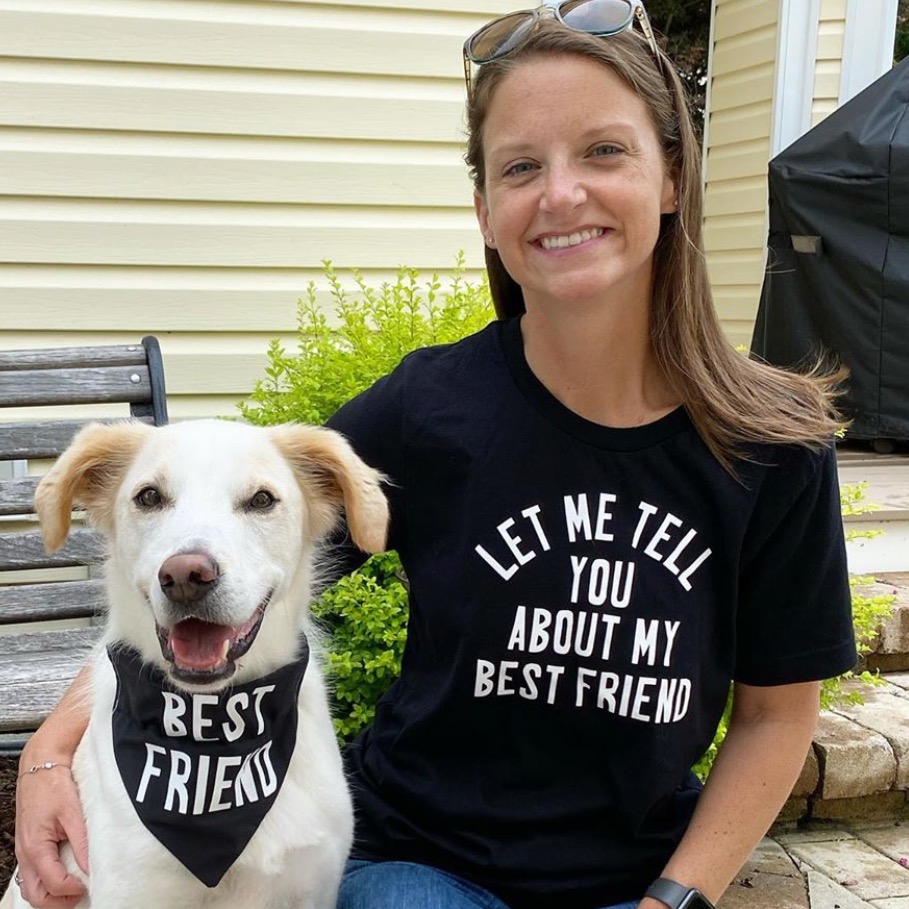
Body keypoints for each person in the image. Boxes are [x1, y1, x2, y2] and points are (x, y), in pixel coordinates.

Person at [14, 3, 857, 908]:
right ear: (486, 212)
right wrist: (51, 748)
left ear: (671, 178)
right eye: (520, 167)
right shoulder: (429, 407)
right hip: (420, 861)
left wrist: (673, 899)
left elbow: (775, 718)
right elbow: (218, 557)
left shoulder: (775, 447)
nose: (560, 193)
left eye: (603, 152)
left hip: (635, 877)